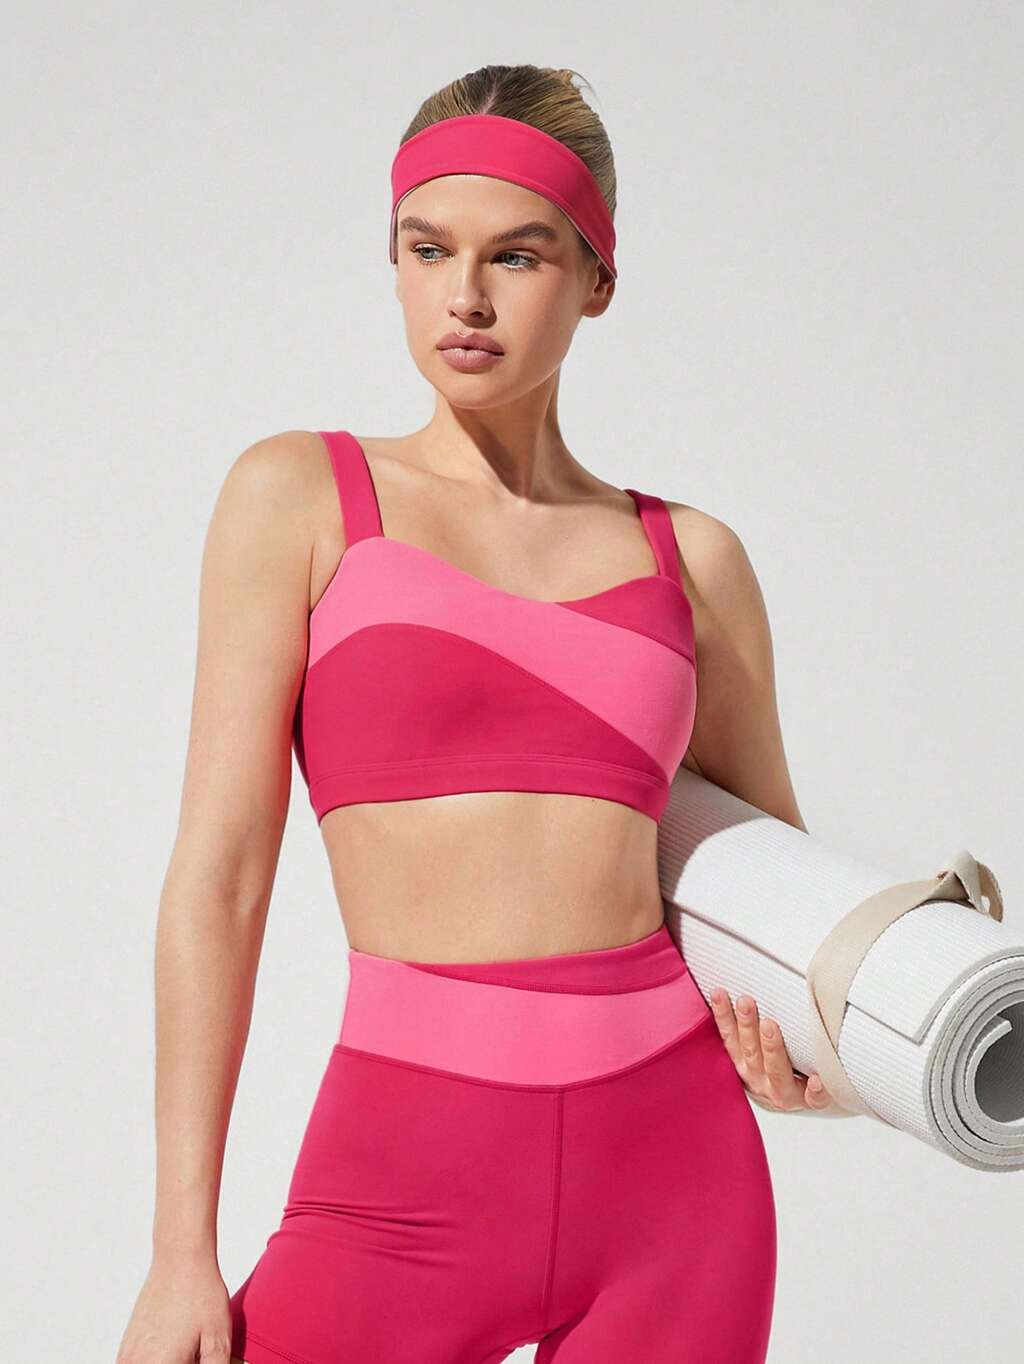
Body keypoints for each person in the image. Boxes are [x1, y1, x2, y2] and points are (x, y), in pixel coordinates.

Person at [116, 62, 838, 1364]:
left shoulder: (693, 560)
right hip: (400, 1174)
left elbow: (776, 900)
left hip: (675, 1183)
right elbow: (221, 880)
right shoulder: (301, 498)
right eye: (427, 247)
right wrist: (180, 1251)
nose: (465, 296)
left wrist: (828, 1057)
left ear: (596, 278)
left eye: (517, 254)